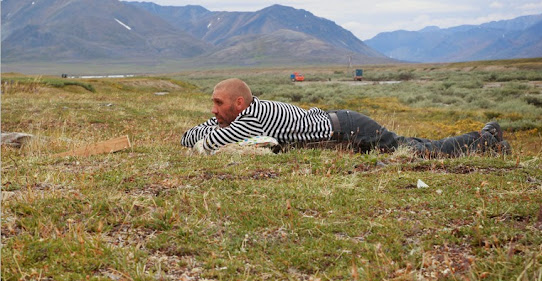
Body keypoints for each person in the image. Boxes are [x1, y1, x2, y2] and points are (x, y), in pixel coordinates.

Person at [181, 78, 511, 157]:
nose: (213, 110)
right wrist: (207, 129)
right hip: (345, 124)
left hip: (351, 130)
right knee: (414, 146)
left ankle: (485, 139)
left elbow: (206, 147)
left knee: (421, 153)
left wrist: (203, 134)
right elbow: (193, 135)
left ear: (239, 103)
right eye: (212, 103)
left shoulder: (252, 118)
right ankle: (487, 139)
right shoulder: (244, 114)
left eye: (218, 103)